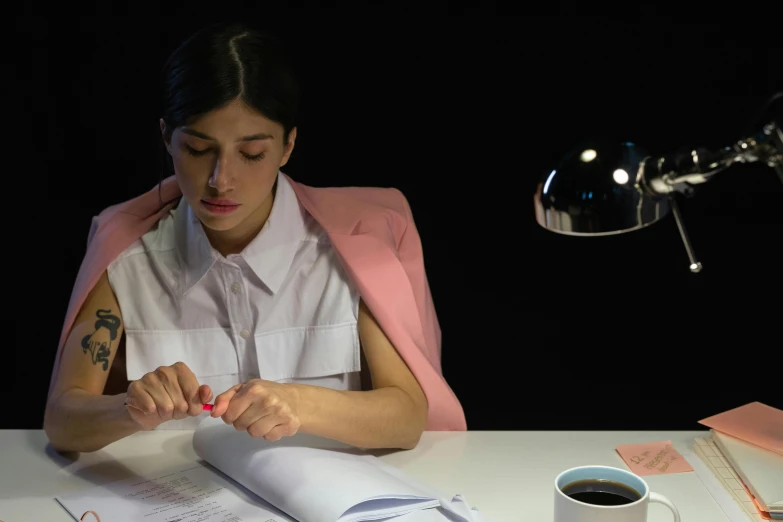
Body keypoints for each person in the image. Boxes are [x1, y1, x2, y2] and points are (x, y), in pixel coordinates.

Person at [43, 22, 466, 454]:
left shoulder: (351, 251)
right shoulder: (127, 256)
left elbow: (408, 416)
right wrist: (128, 409)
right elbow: (62, 419)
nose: (221, 180)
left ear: (287, 147)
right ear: (167, 138)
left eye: (251, 154)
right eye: (197, 149)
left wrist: (298, 401)